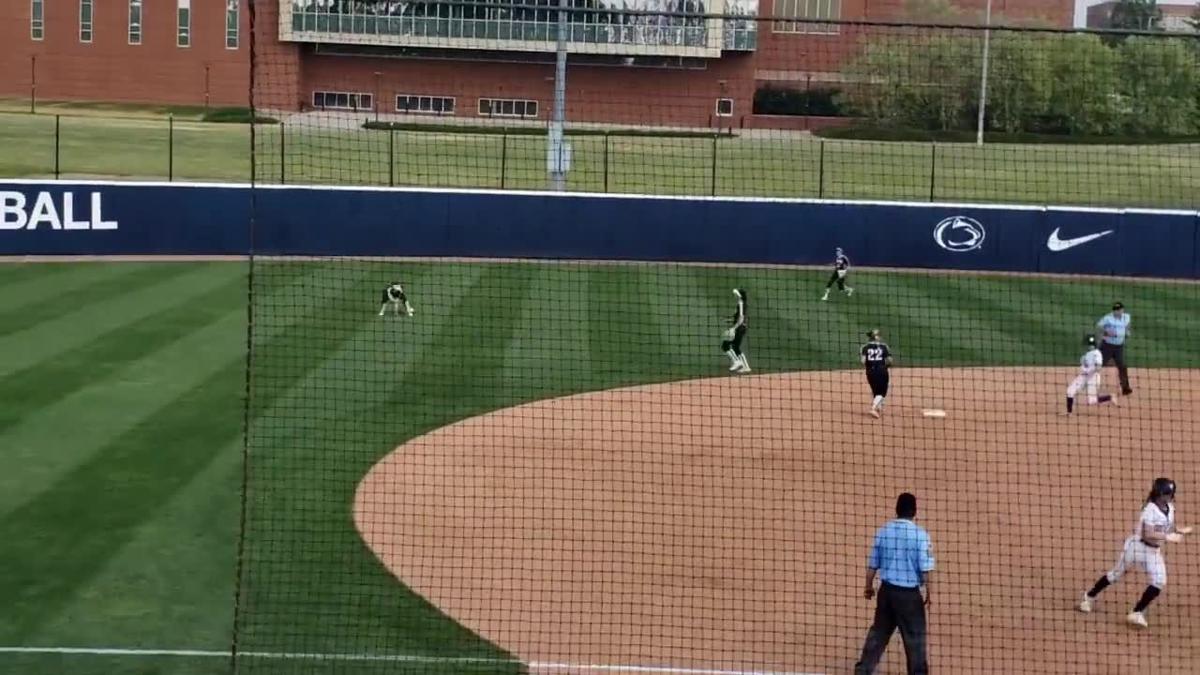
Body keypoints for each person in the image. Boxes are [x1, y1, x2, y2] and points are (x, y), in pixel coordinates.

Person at [1078, 478, 1192, 628]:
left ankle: (1137, 612)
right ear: (1160, 494)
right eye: (1169, 493)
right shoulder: (1149, 509)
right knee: (1116, 574)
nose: (1171, 496)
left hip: (1153, 552)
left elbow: (1166, 525)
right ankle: (1089, 597)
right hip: (1136, 548)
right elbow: (1147, 533)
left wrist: (1177, 530)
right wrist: (1168, 537)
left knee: (1159, 581)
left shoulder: (1169, 507)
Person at [855, 493, 935, 675]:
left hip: (887, 592)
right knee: (915, 638)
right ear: (914, 511)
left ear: (896, 510)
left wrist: (868, 587)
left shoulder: (884, 531)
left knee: (879, 633)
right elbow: (926, 569)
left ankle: (863, 670)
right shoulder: (921, 536)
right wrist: (930, 594)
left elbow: (872, 565)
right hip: (909, 598)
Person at [1061, 334, 1118, 415]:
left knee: (1091, 401)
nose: (1086, 346)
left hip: (1093, 377)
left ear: (1092, 345)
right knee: (1070, 390)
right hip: (1084, 376)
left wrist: (1090, 370)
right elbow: (1084, 366)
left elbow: (1098, 367)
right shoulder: (1085, 355)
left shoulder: (1097, 353)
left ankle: (1110, 397)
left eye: (1088, 345)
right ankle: (1069, 412)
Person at [1096, 302, 1133, 395]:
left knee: (1122, 366)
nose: (1117, 312)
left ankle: (1125, 388)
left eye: (1119, 310)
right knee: (1098, 364)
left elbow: (1127, 326)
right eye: (1116, 310)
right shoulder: (1108, 318)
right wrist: (1106, 332)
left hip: (1119, 347)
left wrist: (1127, 331)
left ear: (1122, 310)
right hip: (1107, 346)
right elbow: (1099, 326)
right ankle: (1088, 383)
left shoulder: (1126, 317)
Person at [861, 329, 892, 418]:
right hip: (881, 371)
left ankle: (879, 407)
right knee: (882, 392)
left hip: (870, 372)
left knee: (875, 391)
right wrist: (885, 366)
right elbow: (889, 360)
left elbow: (863, 361)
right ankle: (873, 408)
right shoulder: (884, 347)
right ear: (877, 337)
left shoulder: (865, 347)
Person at [721, 288, 750, 373]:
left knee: (725, 345)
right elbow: (737, 318)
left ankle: (736, 361)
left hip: (740, 328)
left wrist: (734, 328)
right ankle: (746, 367)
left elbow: (741, 318)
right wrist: (728, 320)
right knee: (736, 347)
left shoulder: (740, 303)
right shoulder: (743, 303)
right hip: (742, 328)